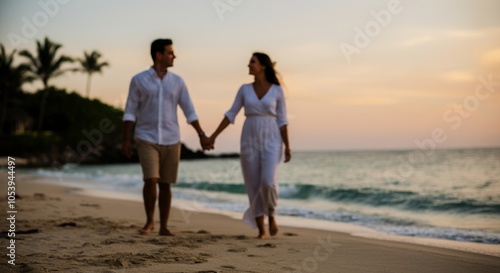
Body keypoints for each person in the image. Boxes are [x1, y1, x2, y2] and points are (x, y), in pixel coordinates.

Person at [122, 38, 212, 236]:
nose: (174, 56)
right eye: (170, 52)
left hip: (172, 138)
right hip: (146, 137)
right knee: (151, 179)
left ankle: (163, 226)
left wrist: (202, 135)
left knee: (165, 183)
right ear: (159, 55)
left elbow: (190, 111)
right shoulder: (139, 80)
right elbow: (130, 111)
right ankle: (149, 222)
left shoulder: (177, 82)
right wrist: (125, 139)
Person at [209, 52, 291, 239]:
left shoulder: (277, 90)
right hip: (249, 138)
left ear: (263, 66)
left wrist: (288, 146)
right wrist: (213, 136)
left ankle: (271, 213)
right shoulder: (244, 89)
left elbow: (283, 120)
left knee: (268, 182)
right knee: (253, 184)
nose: (248, 65)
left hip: (272, 137)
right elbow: (231, 114)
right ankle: (261, 229)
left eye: (252, 62)